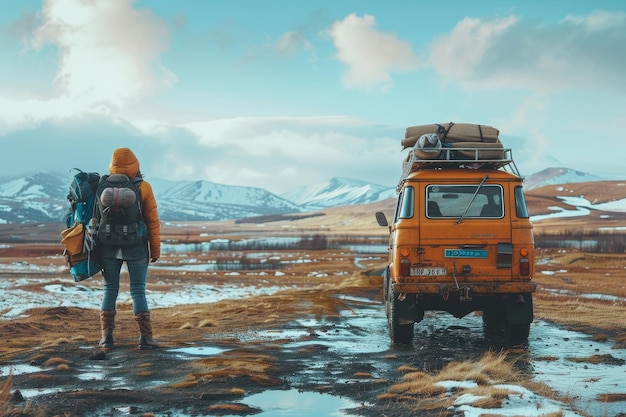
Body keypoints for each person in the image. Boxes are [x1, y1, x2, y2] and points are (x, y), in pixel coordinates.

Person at [96, 148, 161, 350]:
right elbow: (152, 220)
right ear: (135, 165)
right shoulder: (143, 187)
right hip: (137, 247)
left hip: (107, 247)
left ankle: (107, 338)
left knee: (109, 290)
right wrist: (155, 249)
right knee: (138, 292)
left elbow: (94, 219)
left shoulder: (100, 186)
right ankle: (146, 338)